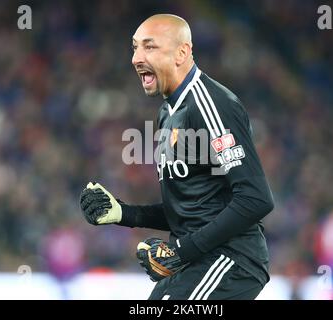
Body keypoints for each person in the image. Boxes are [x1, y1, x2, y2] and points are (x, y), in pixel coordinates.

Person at [80, 14, 274, 300]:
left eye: (149, 47)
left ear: (182, 53)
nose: (136, 58)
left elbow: (255, 198)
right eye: (134, 47)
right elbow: (189, 210)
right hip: (195, 262)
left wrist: (181, 251)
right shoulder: (167, 114)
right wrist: (124, 213)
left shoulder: (211, 104)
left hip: (231, 260)